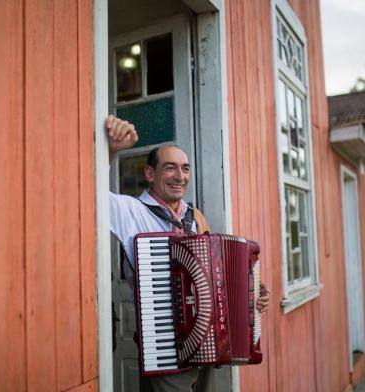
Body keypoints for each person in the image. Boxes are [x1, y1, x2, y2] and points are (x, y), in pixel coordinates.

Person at [106, 115, 270, 392]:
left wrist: (250, 295)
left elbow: (217, 281)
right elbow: (89, 192)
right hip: (165, 348)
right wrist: (111, 150)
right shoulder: (130, 211)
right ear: (150, 174)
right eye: (169, 168)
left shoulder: (194, 217)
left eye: (184, 169)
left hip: (207, 347)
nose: (179, 176)